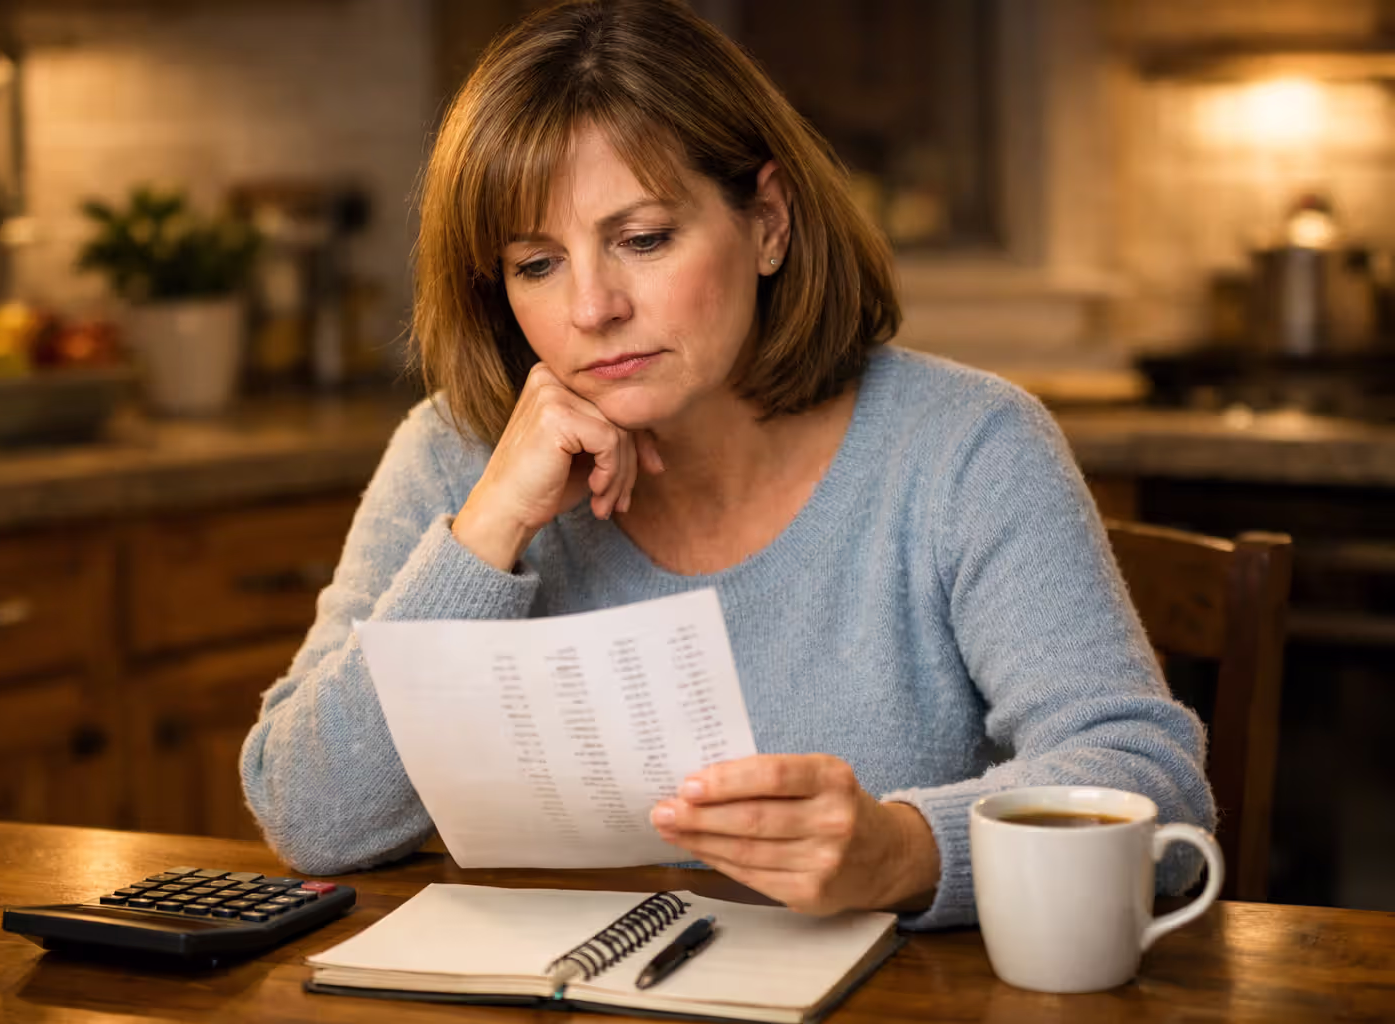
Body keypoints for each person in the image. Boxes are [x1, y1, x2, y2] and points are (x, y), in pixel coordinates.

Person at [241, 0, 1214, 929]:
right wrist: (485, 533)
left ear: (767, 222)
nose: (592, 308)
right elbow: (306, 814)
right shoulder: (455, 457)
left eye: (644, 239)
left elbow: (1152, 788)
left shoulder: (966, 445)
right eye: (536, 263)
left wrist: (906, 850)